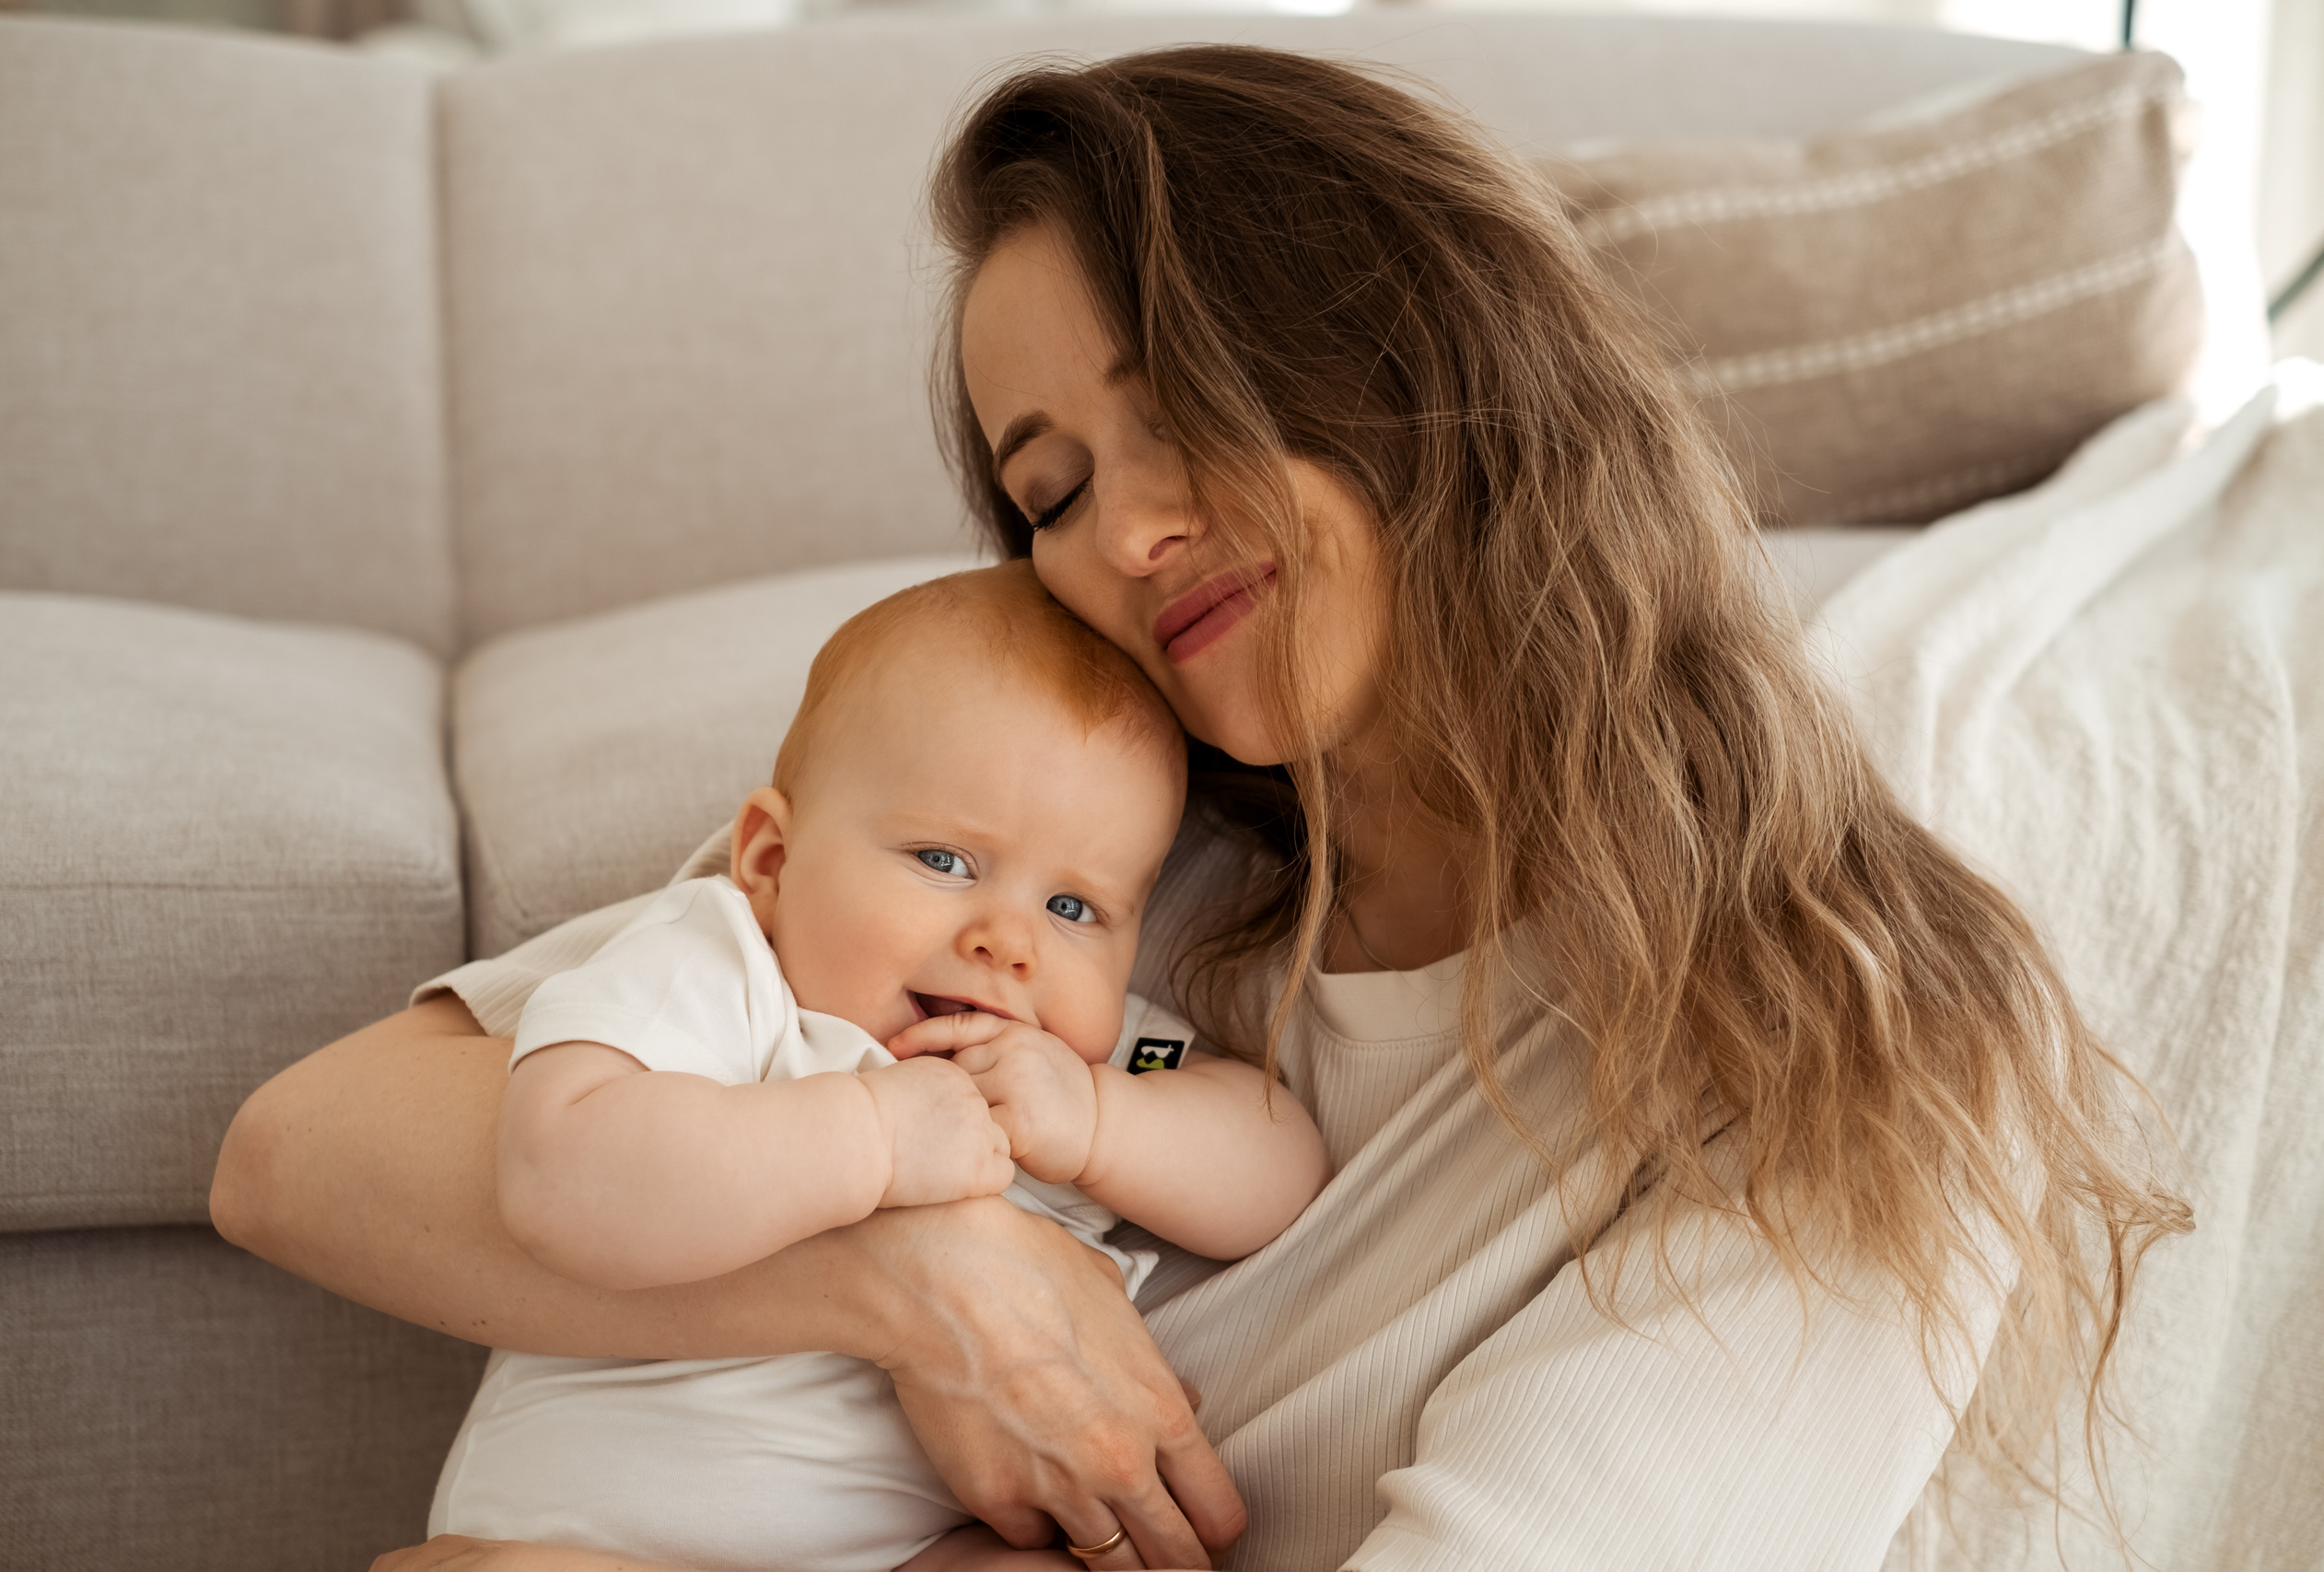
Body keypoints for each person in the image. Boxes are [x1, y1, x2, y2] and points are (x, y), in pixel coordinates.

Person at [213, 44, 2188, 1572]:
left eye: (1181, 405)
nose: (1132, 536)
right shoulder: (1069, 848)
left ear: (1404, 356)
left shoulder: (1822, 1038)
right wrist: (919, 1278)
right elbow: (304, 1150)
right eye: (1051, 485)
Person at [430, 563, 1326, 1571]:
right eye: (946, 862)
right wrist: (872, 1135)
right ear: (771, 861)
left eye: (1072, 909)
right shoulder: (723, 969)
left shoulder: (1087, 1061)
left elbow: (1279, 1162)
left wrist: (1102, 1121)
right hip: (579, 1537)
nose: (1008, 941)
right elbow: (560, 1177)